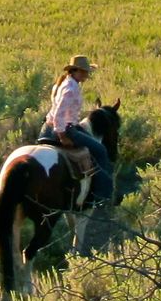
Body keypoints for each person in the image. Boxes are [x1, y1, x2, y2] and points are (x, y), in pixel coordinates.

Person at [38, 54, 115, 206]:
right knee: (100, 151)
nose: (87, 75)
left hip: (52, 127)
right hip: (65, 129)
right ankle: (100, 195)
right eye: (84, 72)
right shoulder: (70, 88)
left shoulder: (66, 83)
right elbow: (60, 112)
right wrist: (63, 135)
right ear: (75, 71)